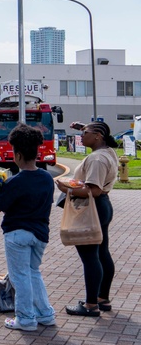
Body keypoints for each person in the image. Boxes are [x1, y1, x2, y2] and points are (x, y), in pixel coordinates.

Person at [0, 123, 56, 331]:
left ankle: (26, 319)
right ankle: (45, 314)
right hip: (40, 235)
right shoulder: (47, 178)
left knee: (20, 278)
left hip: (17, 235)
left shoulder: (15, 182)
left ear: (17, 155)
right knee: (33, 272)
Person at [55, 120, 119, 317]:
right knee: (102, 253)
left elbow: (93, 191)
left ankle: (91, 305)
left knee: (90, 257)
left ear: (98, 136)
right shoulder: (108, 151)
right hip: (103, 208)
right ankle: (102, 298)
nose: (82, 136)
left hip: (93, 208)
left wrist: (65, 188)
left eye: (85, 133)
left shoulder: (97, 159)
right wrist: (84, 126)